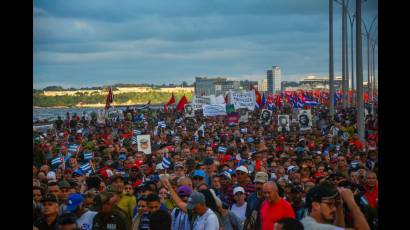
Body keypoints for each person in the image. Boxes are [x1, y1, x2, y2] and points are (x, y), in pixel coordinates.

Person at [301, 182, 370, 230]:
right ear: (315, 205)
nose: (334, 209)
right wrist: (351, 202)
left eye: (334, 204)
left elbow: (339, 228)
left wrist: (339, 207)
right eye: (329, 204)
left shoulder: (307, 223)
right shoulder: (316, 227)